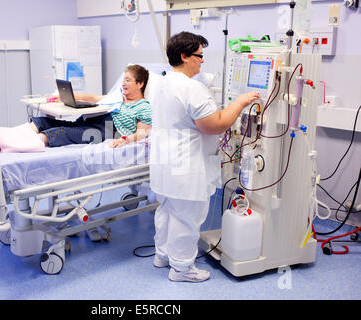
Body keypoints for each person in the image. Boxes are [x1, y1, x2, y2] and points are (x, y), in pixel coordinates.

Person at [149, 32, 259, 282]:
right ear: (184, 56)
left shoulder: (160, 83)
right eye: (199, 56)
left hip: (165, 162)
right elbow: (215, 125)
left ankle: (163, 255)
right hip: (186, 165)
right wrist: (240, 102)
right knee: (187, 216)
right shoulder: (192, 88)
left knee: (167, 209)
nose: (202, 61)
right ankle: (182, 269)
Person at [30, 64, 152, 149]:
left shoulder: (143, 106)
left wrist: (124, 140)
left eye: (127, 80)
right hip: (93, 119)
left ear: (140, 84)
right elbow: (94, 98)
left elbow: (142, 133)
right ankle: (19, 137)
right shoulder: (118, 97)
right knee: (45, 121)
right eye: (123, 80)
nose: (123, 83)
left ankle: (25, 144)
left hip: (107, 130)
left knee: (62, 132)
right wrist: (67, 96)